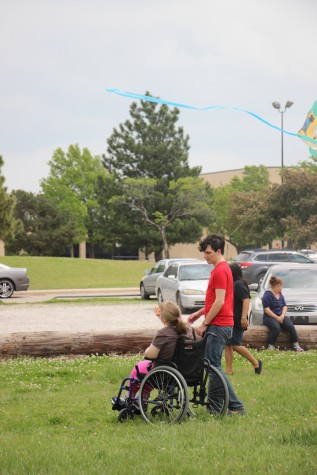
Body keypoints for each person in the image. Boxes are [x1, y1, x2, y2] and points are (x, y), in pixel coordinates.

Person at [188, 233, 246, 416]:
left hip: (219, 325)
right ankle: (215, 406)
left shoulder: (221, 270)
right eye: (204, 253)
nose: (205, 256)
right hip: (219, 323)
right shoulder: (220, 268)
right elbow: (217, 300)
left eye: (208, 252)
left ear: (219, 251)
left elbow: (220, 302)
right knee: (211, 365)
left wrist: (204, 324)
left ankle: (235, 406)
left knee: (213, 366)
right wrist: (199, 313)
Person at [129, 300, 194, 396]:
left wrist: (146, 350)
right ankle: (142, 398)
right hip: (187, 370)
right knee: (149, 369)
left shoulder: (164, 333)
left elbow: (151, 355)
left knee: (139, 368)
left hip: (166, 372)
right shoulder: (188, 330)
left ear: (164, 318)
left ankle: (132, 397)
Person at [224, 262, 263, 375]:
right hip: (230, 319)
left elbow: (246, 300)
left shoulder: (239, 284)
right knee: (228, 345)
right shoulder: (233, 284)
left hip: (238, 320)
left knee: (235, 345)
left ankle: (256, 363)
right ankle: (228, 371)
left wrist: (243, 318)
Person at [262, 276, 304, 352]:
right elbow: (267, 310)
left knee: (290, 326)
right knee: (276, 328)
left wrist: (282, 316)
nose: (282, 288)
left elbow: (284, 306)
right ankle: (270, 345)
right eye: (281, 286)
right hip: (269, 317)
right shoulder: (267, 295)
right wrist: (276, 318)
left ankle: (296, 345)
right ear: (278, 285)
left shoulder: (280, 294)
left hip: (280, 316)